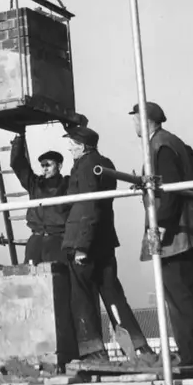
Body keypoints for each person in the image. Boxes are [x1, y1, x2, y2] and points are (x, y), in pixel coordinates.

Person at [130, 102, 193, 366]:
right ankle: (190, 355)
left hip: (175, 231)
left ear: (145, 119)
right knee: (178, 294)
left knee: (178, 295)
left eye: (135, 119)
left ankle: (191, 358)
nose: (133, 124)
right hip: (181, 228)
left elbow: (170, 189)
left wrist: (158, 229)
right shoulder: (171, 142)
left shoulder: (159, 146)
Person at [61, 125, 157, 364]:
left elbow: (88, 206)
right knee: (113, 295)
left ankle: (94, 354)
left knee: (83, 298)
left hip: (85, 243)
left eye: (72, 144)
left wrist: (82, 245)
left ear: (82, 147)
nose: (69, 148)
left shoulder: (84, 168)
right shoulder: (104, 163)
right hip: (103, 241)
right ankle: (138, 350)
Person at [10, 131, 70, 264]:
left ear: (59, 166)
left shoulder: (67, 184)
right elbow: (18, 164)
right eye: (42, 166)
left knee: (59, 277)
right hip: (36, 241)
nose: (44, 169)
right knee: (30, 278)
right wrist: (19, 138)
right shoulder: (34, 184)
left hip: (57, 240)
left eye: (48, 165)